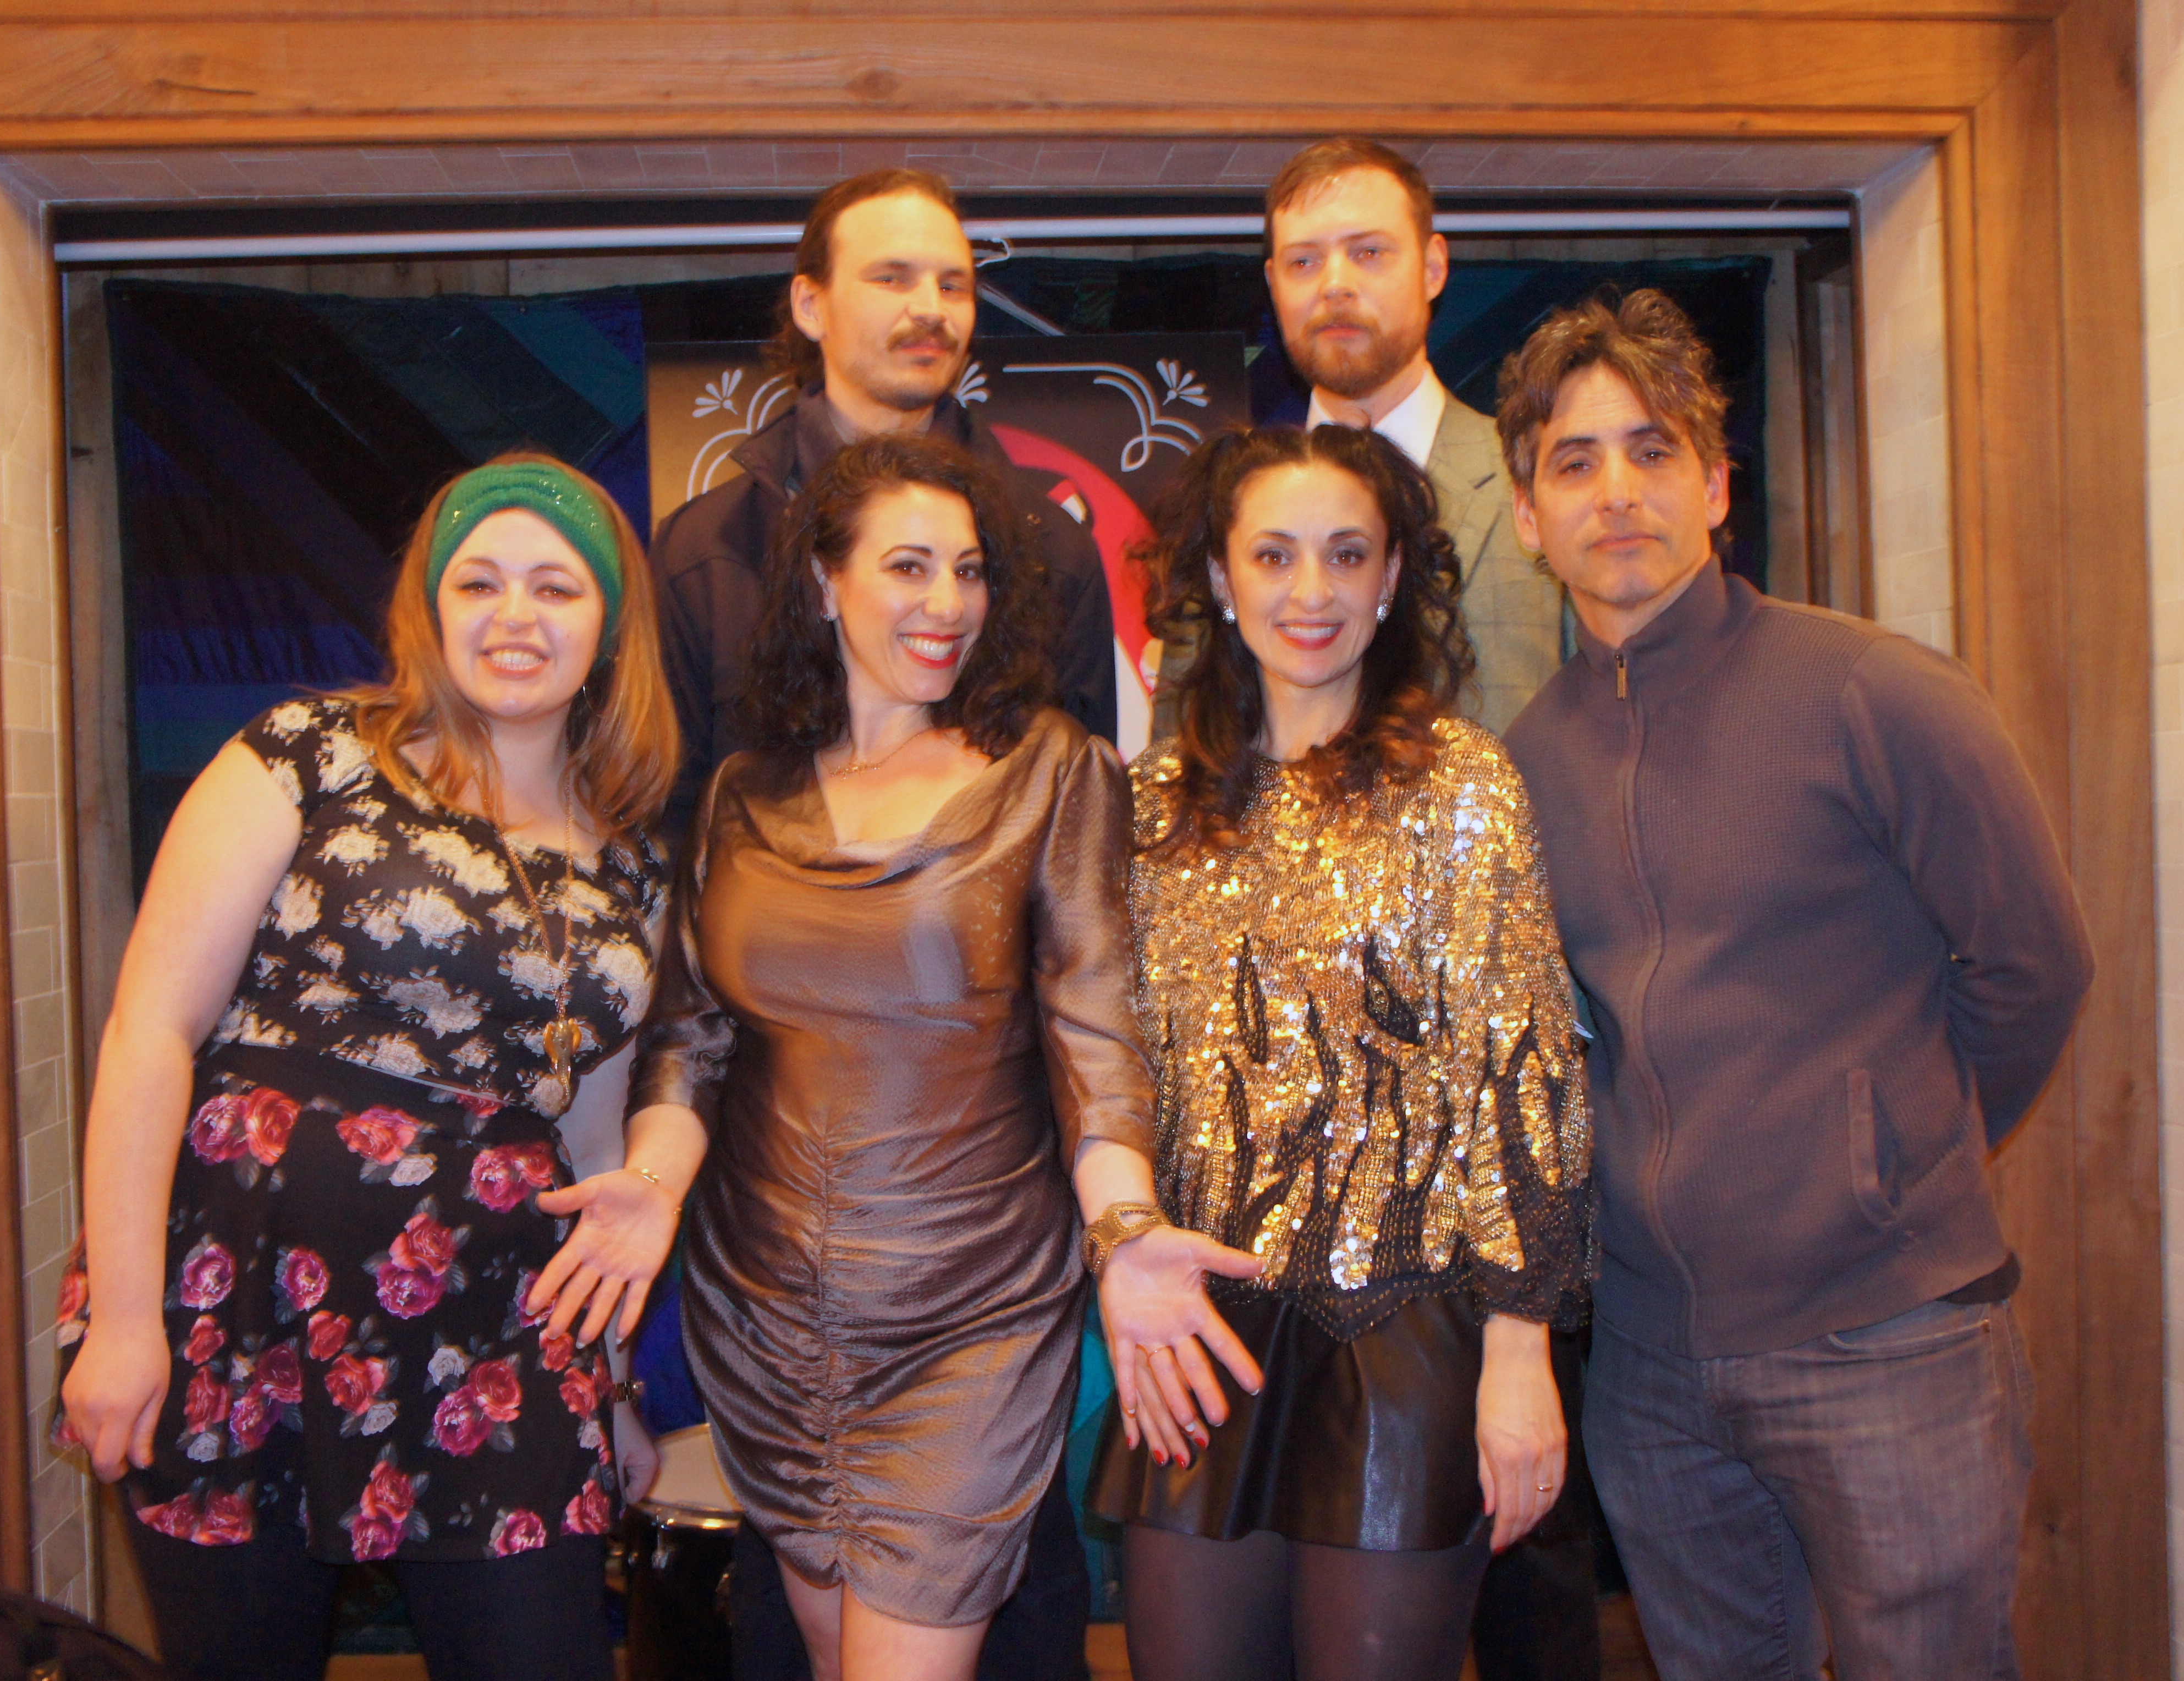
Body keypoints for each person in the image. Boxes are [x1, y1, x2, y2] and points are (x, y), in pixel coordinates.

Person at [552, 433, 1262, 1681]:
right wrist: (653, 1186)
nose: (947, 603)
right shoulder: (743, 795)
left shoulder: (1049, 771)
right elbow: (690, 1041)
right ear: (823, 582)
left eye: (970, 570)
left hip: (966, 1319)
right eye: (909, 566)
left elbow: (1098, 1035)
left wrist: (1127, 1226)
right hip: (763, 1316)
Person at [1498, 289, 2095, 1680]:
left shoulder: (1874, 692)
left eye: (1651, 450)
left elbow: (2034, 968)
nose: (1616, 491)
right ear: (1528, 516)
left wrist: (1885, 1162)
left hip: (1887, 1331)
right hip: (1650, 1364)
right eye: (1575, 463)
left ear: (1715, 485)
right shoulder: (1525, 761)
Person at [53, 454, 680, 1681]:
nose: (513, 616)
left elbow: (592, 1143)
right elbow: (149, 1030)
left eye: (556, 587)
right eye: (478, 582)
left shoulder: (633, 860)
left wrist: (610, 1390)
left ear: (609, 626)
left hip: (501, 1327)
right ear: (429, 608)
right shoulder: (310, 753)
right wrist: (125, 1322)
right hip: (243, 1309)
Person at [1088, 424, 1594, 1681]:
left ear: (1390, 578)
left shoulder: (1461, 784)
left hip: (1406, 1333)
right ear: (1221, 577)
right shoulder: (1151, 805)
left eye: (1346, 554)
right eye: (1274, 555)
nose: (1310, 591)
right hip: (1201, 1336)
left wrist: (1520, 1352)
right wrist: (1121, 1245)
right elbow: (1106, 1067)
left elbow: (1521, 1072)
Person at [652, 166, 1119, 844]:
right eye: (892, 278)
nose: (930, 308)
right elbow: (670, 826)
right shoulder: (705, 551)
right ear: (810, 305)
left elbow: (1083, 834)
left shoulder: (1048, 550)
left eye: (952, 285)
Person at [1266, 136, 1565, 734]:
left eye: (1368, 252)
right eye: (1304, 262)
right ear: (1273, 285)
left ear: (1432, 268)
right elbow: (1183, 766)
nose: (1334, 284)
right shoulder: (1228, 512)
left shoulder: (1539, 479)